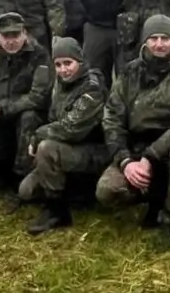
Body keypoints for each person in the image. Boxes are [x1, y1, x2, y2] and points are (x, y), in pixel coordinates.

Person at [96, 15, 170, 248]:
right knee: (108, 191)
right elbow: (111, 118)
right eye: (153, 38)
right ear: (144, 42)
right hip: (137, 150)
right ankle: (153, 199)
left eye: (165, 38)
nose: (159, 44)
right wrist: (126, 161)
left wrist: (150, 156)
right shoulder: (129, 72)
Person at [20, 36, 109, 235]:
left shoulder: (92, 88)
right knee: (26, 191)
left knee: (46, 148)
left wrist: (38, 135)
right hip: (68, 150)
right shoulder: (60, 83)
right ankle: (75, 192)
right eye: (58, 65)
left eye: (68, 63)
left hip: (94, 151)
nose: (63, 69)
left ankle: (58, 211)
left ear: (80, 61)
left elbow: (71, 129)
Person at [0, 12, 53, 208]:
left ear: (24, 33)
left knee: (28, 117)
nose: (11, 41)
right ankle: (1, 171)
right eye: (6, 36)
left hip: (27, 122)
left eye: (15, 35)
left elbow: (37, 97)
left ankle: (20, 179)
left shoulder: (40, 55)